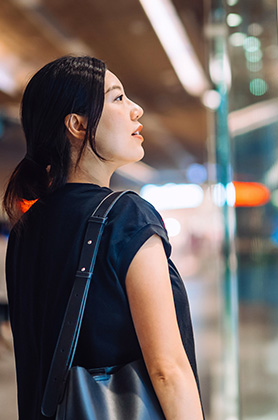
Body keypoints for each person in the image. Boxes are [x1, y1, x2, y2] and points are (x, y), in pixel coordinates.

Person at [2, 56, 204, 420]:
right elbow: (167, 370)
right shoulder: (127, 217)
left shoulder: (24, 230)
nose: (136, 109)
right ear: (78, 125)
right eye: (117, 98)